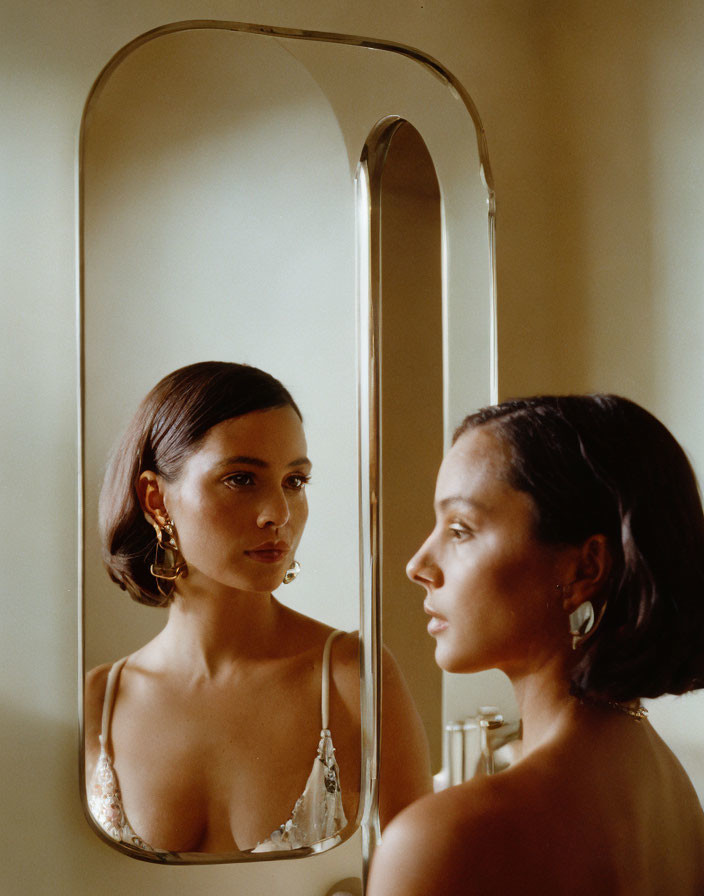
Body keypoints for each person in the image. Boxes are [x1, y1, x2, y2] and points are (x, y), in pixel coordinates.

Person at [84, 361, 431, 856]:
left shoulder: (354, 679)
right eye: (242, 479)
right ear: (156, 499)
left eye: (295, 481)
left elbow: (431, 879)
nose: (279, 514)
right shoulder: (98, 704)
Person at [368, 394, 704, 895]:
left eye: (460, 529)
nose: (418, 565)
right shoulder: (672, 792)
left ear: (585, 568)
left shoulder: (443, 841)